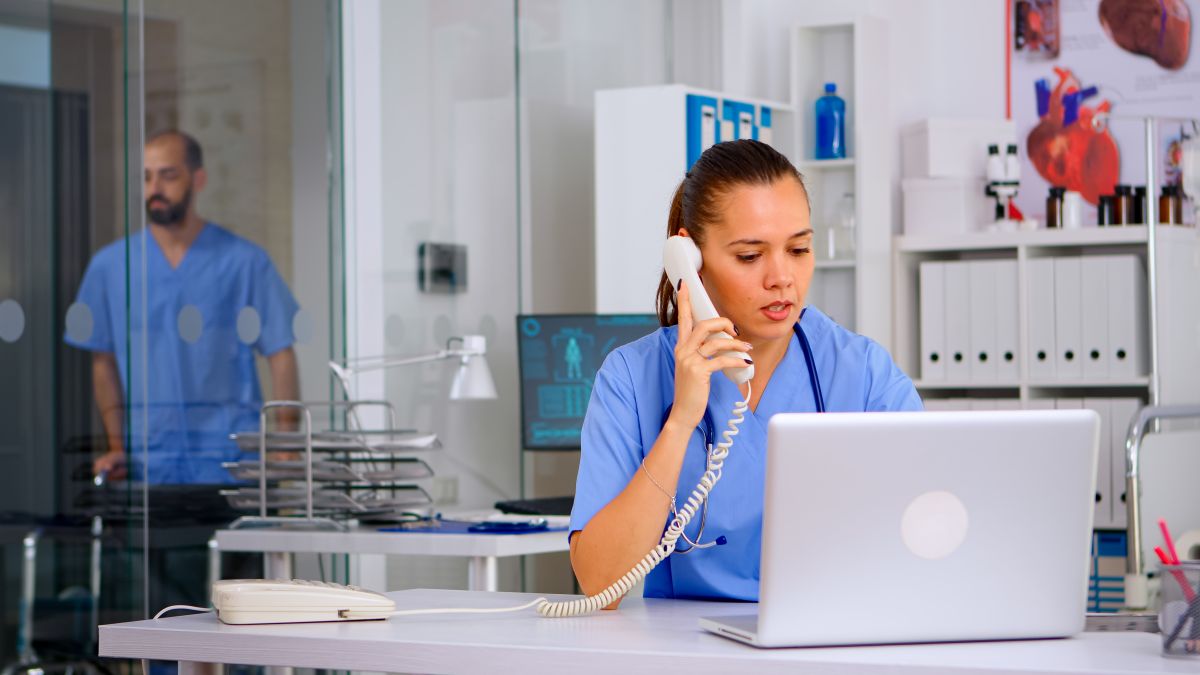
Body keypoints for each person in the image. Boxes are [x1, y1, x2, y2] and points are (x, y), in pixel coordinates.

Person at [569, 140, 922, 605]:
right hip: (685, 654)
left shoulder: (864, 372)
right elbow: (598, 582)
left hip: (832, 640)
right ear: (689, 258)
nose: (782, 277)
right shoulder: (631, 379)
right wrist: (681, 422)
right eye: (750, 256)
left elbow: (927, 531)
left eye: (798, 249)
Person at [66, 130, 301, 484]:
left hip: (233, 460)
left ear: (199, 179)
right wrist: (117, 446)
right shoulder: (110, 267)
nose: (154, 187)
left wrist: (286, 439)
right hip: (151, 463)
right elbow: (103, 362)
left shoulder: (243, 261)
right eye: (146, 177)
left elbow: (280, 352)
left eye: (168, 174)